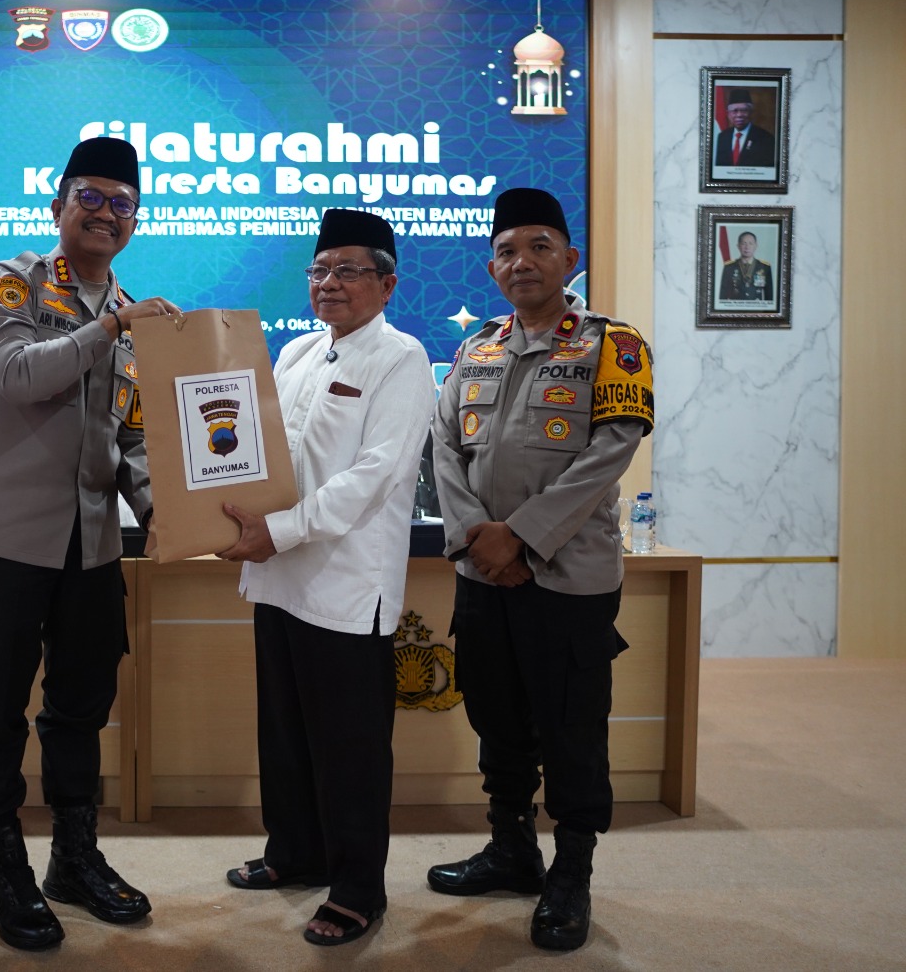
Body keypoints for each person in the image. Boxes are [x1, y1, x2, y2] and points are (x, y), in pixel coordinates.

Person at [0, 136, 178, 951]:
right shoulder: (12, 281)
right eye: (91, 197)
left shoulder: (133, 313)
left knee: (81, 708)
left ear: (135, 222)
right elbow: (18, 375)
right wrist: (110, 325)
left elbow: (132, 436)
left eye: (123, 204)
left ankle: (73, 860)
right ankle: (3, 871)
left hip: (93, 545)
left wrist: (161, 511)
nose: (106, 214)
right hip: (10, 540)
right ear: (58, 206)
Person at [427, 187, 654, 952]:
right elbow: (443, 448)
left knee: (571, 729)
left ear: (569, 259)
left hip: (568, 579)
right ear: (492, 267)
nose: (521, 262)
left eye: (538, 247)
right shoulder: (476, 348)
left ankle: (571, 875)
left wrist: (520, 540)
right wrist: (476, 541)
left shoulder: (613, 345)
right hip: (481, 579)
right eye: (506, 251)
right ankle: (512, 850)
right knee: (497, 721)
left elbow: (611, 451)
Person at [216, 209, 433, 946]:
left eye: (348, 270)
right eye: (319, 269)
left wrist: (275, 531)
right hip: (278, 578)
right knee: (283, 732)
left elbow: (375, 477)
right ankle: (295, 853)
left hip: (345, 586)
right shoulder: (298, 351)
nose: (328, 283)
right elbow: (263, 454)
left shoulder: (401, 359)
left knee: (349, 747)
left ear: (387, 284)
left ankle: (358, 888)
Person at [713, 88, 778, 168]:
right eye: (735, 111)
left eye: (744, 110)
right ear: (728, 114)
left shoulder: (766, 139)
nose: (739, 115)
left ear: (751, 112)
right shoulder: (722, 137)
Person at [719, 231, 775, 302]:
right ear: (738, 246)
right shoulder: (729, 267)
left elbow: (769, 296)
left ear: (756, 246)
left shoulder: (764, 267)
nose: (747, 247)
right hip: (735, 306)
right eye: (744, 243)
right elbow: (722, 295)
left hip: (756, 306)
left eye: (750, 243)